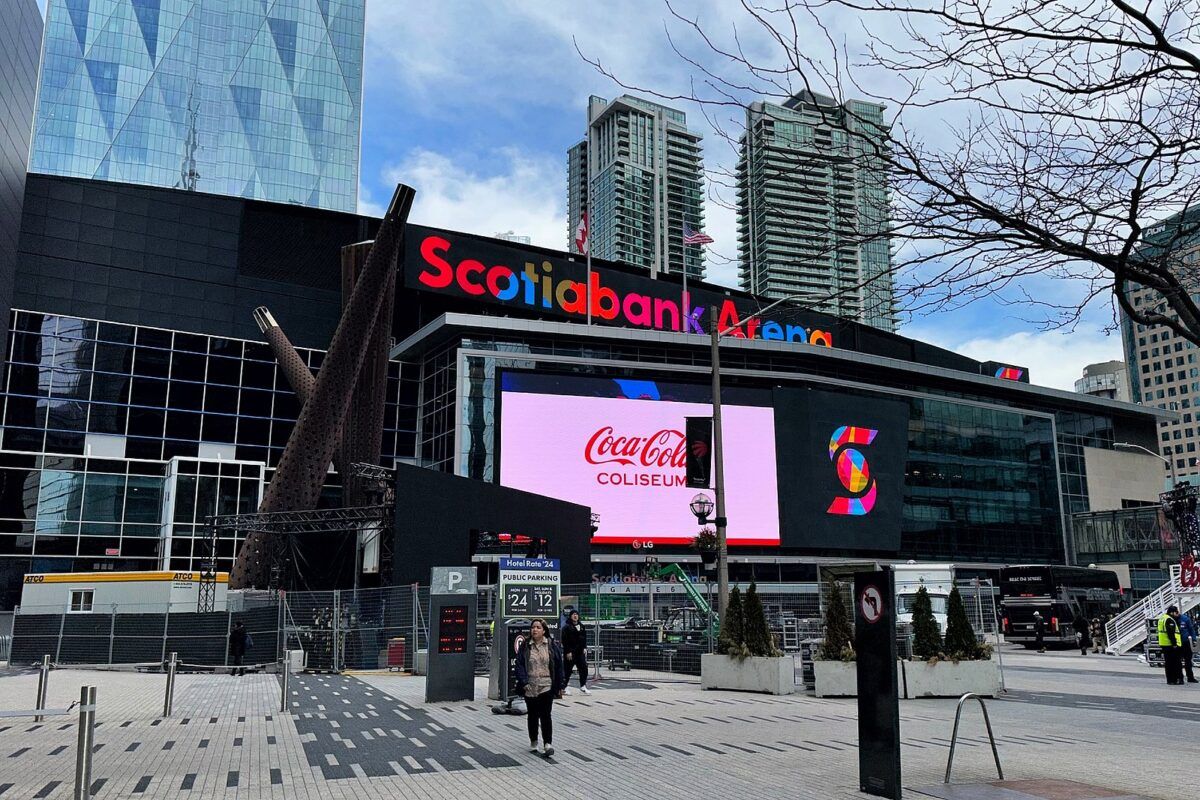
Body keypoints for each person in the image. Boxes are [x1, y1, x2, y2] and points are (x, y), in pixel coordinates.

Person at [514, 618, 566, 757]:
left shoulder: (550, 645)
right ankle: (534, 740)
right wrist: (524, 682)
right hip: (530, 686)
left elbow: (558, 665)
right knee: (532, 715)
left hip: (546, 685)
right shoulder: (526, 646)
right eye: (533, 627)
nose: (534, 630)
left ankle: (547, 743)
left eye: (538, 627)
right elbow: (519, 665)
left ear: (544, 630)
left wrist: (560, 685)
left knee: (545, 715)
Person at [561, 610, 591, 695]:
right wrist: (568, 651)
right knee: (567, 670)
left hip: (579, 652)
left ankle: (583, 686)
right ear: (570, 616)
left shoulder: (581, 626)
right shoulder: (566, 627)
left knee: (584, 668)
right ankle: (564, 687)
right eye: (573, 614)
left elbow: (584, 637)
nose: (575, 616)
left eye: (576, 614)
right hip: (570, 652)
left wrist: (584, 647)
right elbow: (565, 640)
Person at [1158, 605, 1184, 685]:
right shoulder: (1169, 620)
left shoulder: (1162, 618)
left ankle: (1170, 680)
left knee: (1168, 663)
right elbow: (1171, 633)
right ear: (1172, 612)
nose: (1177, 614)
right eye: (1176, 612)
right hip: (1171, 645)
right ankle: (1177, 679)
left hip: (1164, 644)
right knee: (1176, 663)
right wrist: (1174, 644)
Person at [1179, 607, 1199, 683]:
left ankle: (1190, 677)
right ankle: (1180, 678)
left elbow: (1191, 629)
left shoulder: (1185, 619)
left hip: (1185, 642)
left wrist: (1194, 639)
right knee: (1178, 662)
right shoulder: (1172, 619)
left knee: (1188, 661)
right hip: (1177, 643)